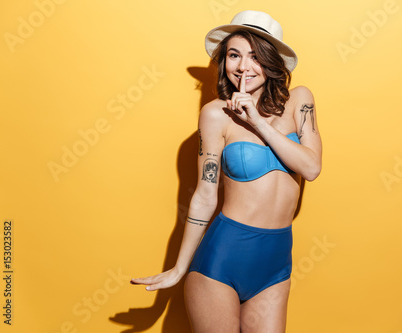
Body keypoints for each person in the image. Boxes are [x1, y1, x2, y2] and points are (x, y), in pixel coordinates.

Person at [131, 10, 322, 332]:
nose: (243, 67)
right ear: (225, 62)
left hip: (275, 265)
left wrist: (257, 121)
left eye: (255, 57)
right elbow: (205, 195)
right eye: (234, 55)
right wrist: (179, 267)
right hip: (221, 259)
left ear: (272, 62)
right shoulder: (216, 115)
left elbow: (311, 167)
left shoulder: (300, 100)